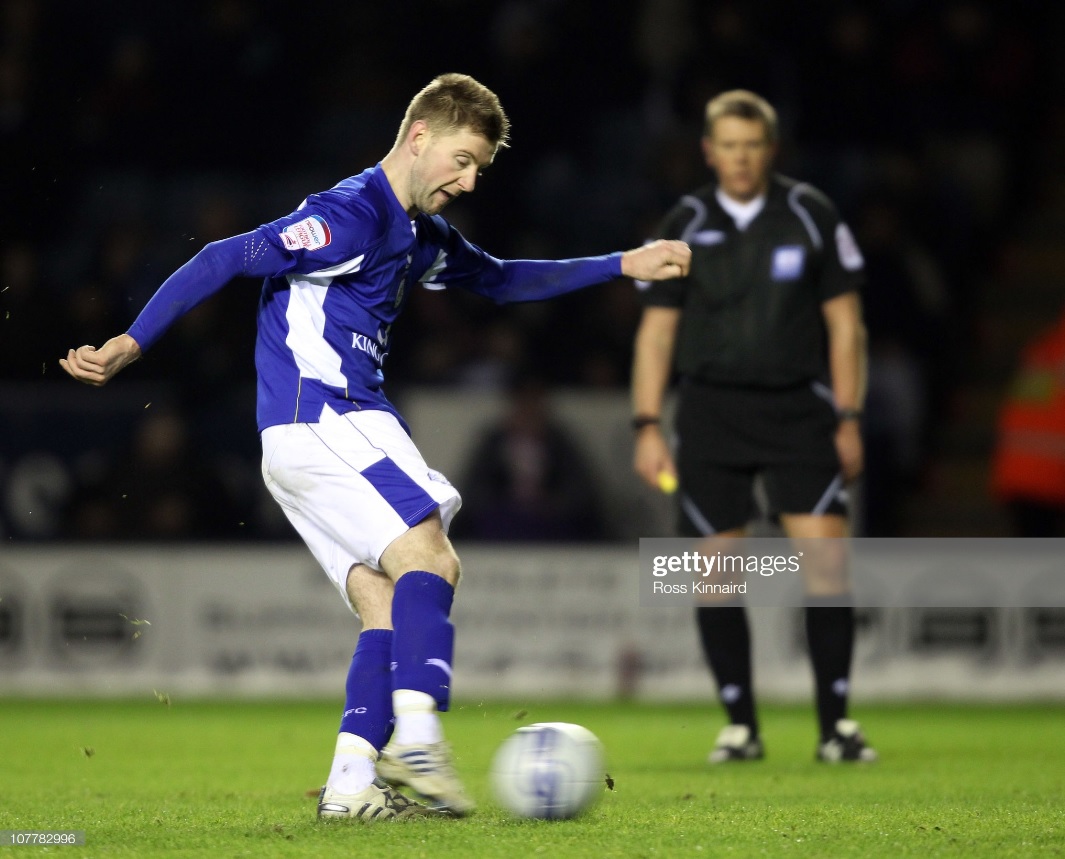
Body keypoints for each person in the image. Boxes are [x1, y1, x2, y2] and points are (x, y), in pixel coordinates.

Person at [60, 73, 690, 821]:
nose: (466, 180)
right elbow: (225, 256)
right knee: (432, 554)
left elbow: (499, 279)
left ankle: (351, 785)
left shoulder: (416, 233)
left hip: (303, 438)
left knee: (382, 600)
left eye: (478, 171)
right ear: (418, 136)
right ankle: (419, 735)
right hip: (324, 414)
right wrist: (134, 341)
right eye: (460, 160)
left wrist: (623, 262)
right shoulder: (351, 215)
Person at [630, 89, 876, 764]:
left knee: (826, 561)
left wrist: (849, 416)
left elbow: (845, 324)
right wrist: (647, 423)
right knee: (715, 573)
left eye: (751, 145)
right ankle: (740, 724)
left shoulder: (810, 213)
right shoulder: (682, 220)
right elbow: (656, 334)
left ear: (770, 149)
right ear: (708, 151)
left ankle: (836, 725)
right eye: (727, 146)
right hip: (709, 411)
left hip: (799, 408)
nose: (739, 159)